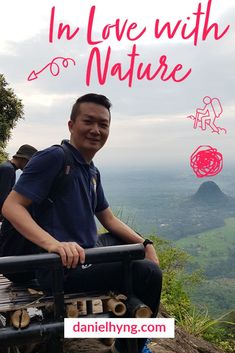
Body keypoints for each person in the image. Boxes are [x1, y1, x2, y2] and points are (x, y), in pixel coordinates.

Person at [2, 94, 162, 353]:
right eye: (88, 121)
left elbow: (108, 218)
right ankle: (131, 347)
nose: (96, 130)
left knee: (130, 247)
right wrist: (53, 245)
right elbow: (11, 206)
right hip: (59, 267)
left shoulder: (90, 170)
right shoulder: (54, 157)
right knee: (148, 273)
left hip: (84, 253)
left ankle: (127, 335)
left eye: (103, 124)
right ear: (71, 125)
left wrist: (145, 243)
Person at [0, 144, 37, 219]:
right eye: (29, 162)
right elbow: (2, 197)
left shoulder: (8, 167)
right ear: (23, 159)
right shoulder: (8, 169)